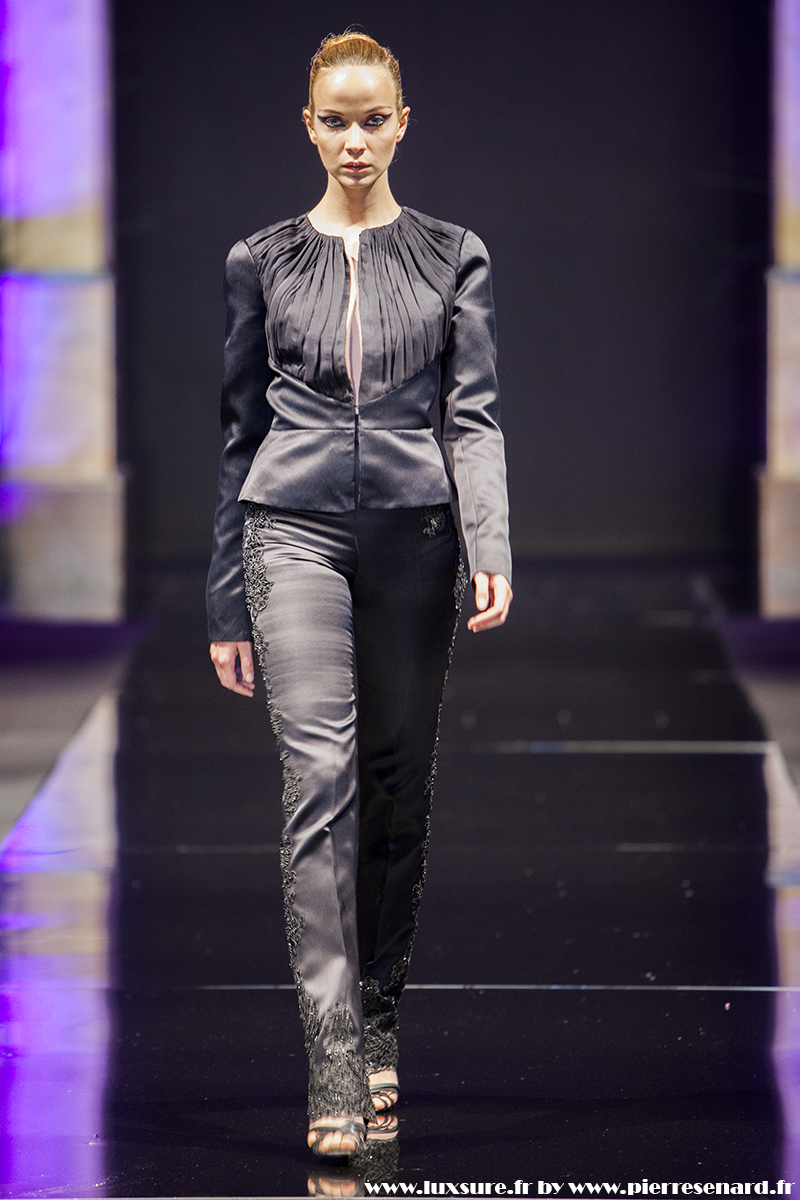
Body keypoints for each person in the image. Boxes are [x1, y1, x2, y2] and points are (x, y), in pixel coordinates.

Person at [206, 31, 512, 1159]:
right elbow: (238, 434)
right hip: (288, 531)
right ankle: (333, 1064)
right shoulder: (261, 259)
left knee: (393, 787)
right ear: (308, 125)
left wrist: (488, 537)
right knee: (318, 782)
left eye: (371, 120)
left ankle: (378, 1015)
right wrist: (223, 599)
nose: (352, 140)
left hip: (415, 539)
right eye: (333, 121)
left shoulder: (451, 255)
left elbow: (471, 413)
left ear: (401, 124)